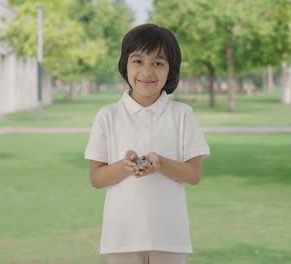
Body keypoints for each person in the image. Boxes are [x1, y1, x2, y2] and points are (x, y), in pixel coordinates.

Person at [84, 23, 210, 264]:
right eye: (138, 61)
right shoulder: (107, 116)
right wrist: (124, 166)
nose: (147, 71)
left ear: (170, 69)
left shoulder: (182, 115)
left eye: (158, 63)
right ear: (125, 64)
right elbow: (96, 179)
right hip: (121, 237)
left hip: (170, 238)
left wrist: (160, 163)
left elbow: (194, 175)